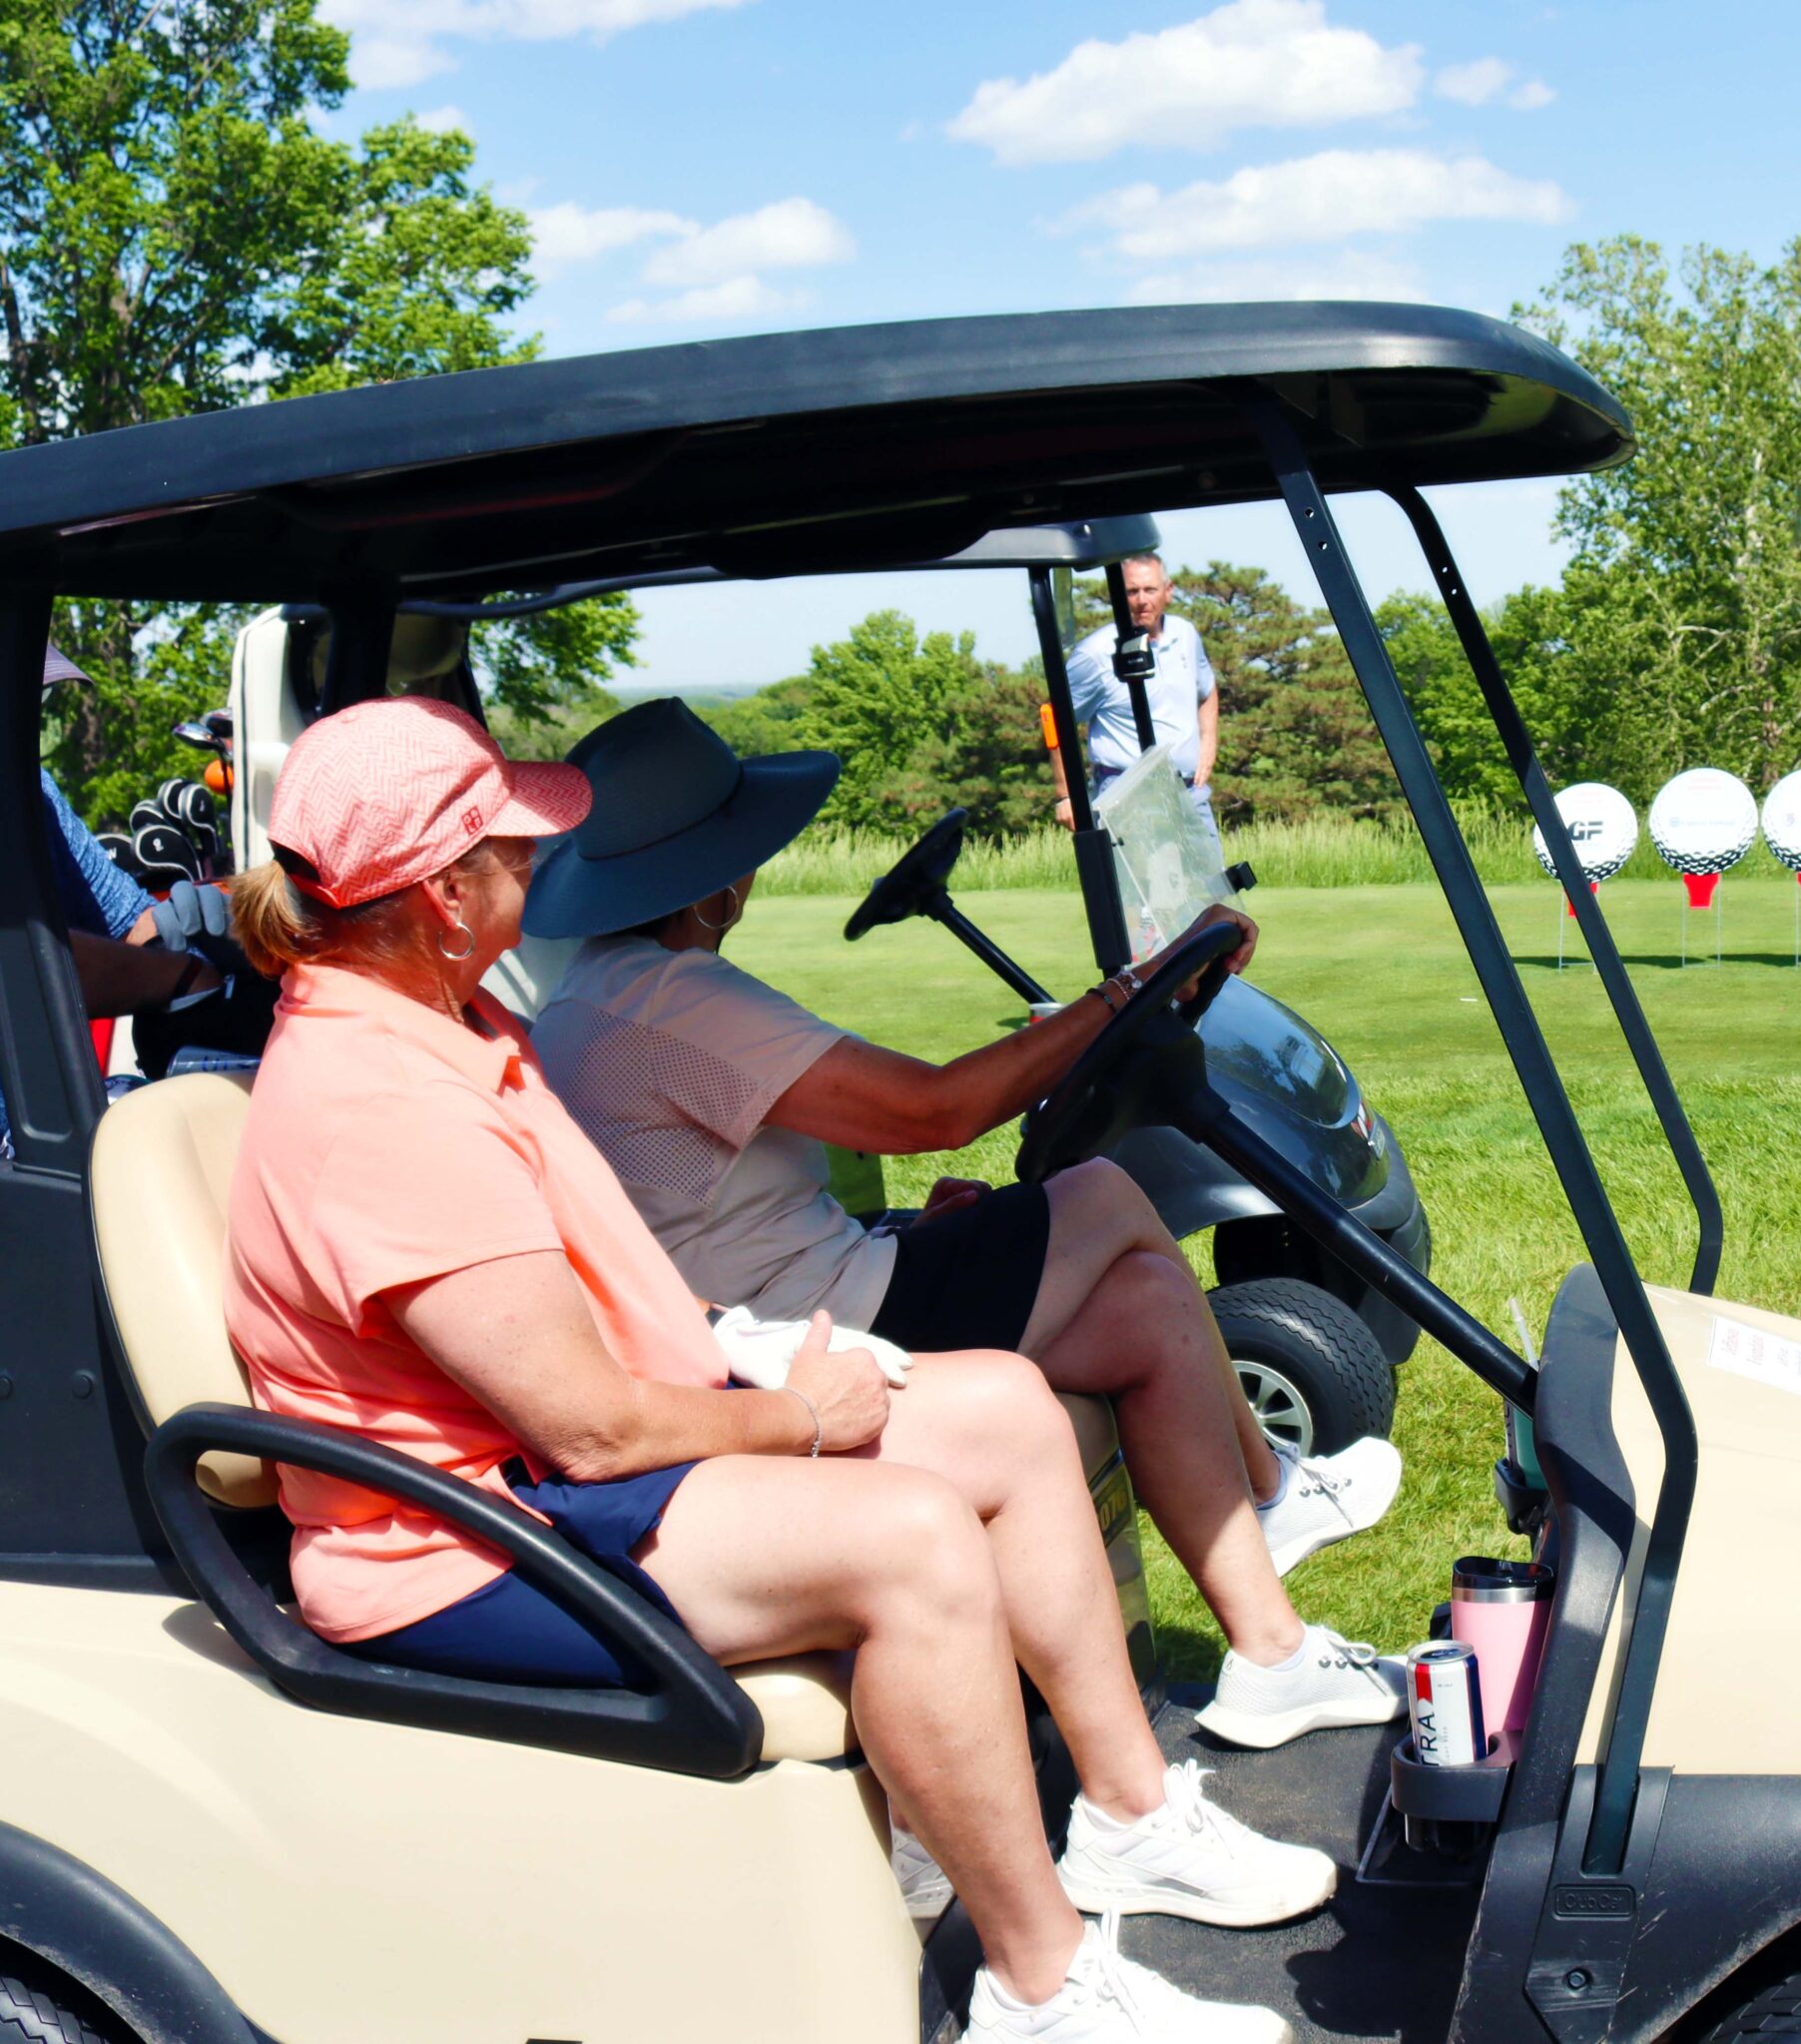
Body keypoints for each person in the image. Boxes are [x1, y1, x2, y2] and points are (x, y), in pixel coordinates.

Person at [222, 695, 1311, 2044]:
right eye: (510, 848)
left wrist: (740, 1358)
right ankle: (1042, 1985)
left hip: (553, 1465)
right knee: (913, 1539)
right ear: (445, 896)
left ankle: (1130, 1816)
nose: (535, 867)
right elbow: (590, 1429)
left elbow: (595, 1314)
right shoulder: (383, 1106)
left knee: (1006, 1413)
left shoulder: (442, 1024)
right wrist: (796, 1414)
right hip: (466, 1536)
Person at [522, 699, 1405, 1753]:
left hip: (811, 1288)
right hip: (806, 1333)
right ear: (719, 876)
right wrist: (1129, 990)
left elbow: (726, 1197)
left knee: (1142, 1304)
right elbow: (933, 1110)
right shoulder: (672, 997)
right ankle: (1268, 1488)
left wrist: (913, 1222)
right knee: (1105, 1194)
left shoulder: (601, 993)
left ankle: (1272, 1657)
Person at [0, 643, 258, 1160]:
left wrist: (219, 937)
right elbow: (20, 958)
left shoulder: (30, 788)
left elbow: (133, 921)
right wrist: (179, 975)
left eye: (36, 698)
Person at [1054, 554, 1222, 854]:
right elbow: (1057, 718)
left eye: (1150, 590)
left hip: (1189, 792)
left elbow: (1207, 691)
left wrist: (1208, 743)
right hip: (1128, 798)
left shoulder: (1185, 635)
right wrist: (1065, 794)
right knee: (1145, 884)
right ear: (1117, 596)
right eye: (1132, 592)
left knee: (1214, 880)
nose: (1142, 600)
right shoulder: (1096, 653)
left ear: (1168, 591)